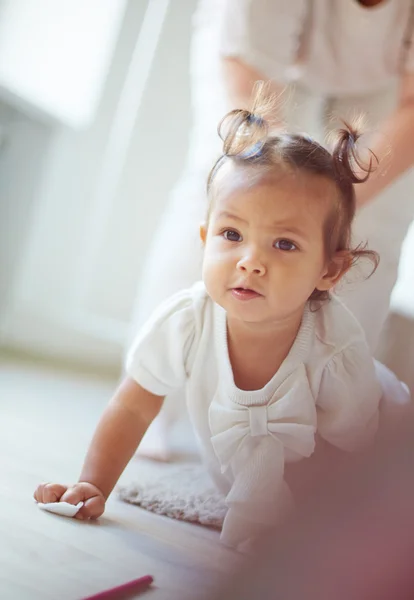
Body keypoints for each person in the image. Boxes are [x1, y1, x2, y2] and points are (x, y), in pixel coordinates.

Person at [34, 94, 410, 550]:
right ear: (204, 238)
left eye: (285, 245)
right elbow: (133, 406)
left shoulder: (335, 348)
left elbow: (353, 450)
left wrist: (309, 530)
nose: (250, 261)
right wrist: (93, 483)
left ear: (329, 270)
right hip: (250, 471)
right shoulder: (187, 322)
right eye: (231, 235)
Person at [132, 0, 414, 459]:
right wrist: (275, 189)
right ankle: (152, 403)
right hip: (255, 60)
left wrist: (335, 203)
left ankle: (328, 425)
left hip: (388, 85)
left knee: (374, 223)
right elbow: (248, 66)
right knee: (228, 191)